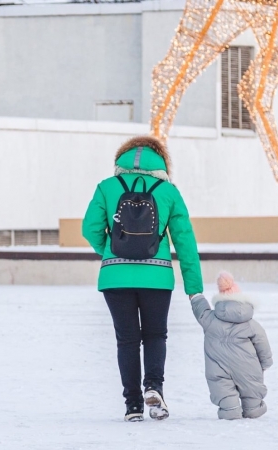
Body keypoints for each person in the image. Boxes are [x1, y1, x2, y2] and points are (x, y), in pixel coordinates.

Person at [82, 135, 203, 422]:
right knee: (155, 335)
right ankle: (154, 389)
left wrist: (109, 252)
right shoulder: (169, 191)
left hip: (115, 278)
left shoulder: (107, 187)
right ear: (161, 160)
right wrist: (194, 287)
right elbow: (185, 240)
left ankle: (133, 406)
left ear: (121, 159)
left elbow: (89, 228)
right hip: (157, 278)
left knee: (126, 340)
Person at [190, 272, 272, 420]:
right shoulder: (251, 323)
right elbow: (262, 343)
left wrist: (196, 295)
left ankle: (231, 411)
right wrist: (266, 363)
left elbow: (200, 309)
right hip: (248, 366)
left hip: (218, 366)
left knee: (223, 390)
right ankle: (253, 408)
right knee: (252, 393)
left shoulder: (210, 319)